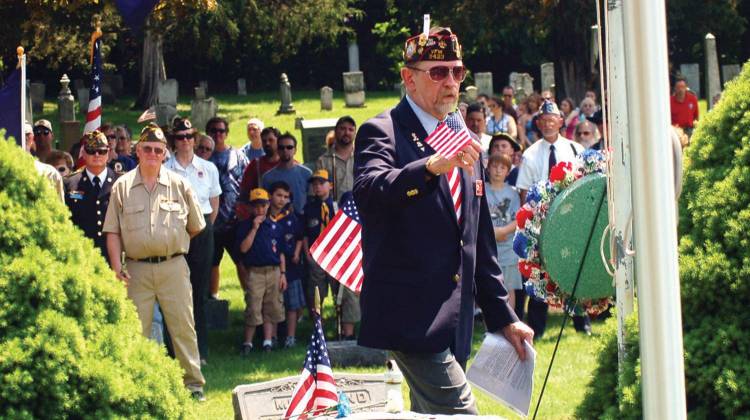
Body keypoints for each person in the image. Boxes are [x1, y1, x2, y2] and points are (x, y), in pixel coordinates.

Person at [353, 26, 533, 415]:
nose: (451, 82)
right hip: (410, 316)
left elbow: (477, 241)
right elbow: (369, 191)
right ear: (408, 78)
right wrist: (430, 167)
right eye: (438, 72)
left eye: (457, 72)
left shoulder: (464, 137)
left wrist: (505, 318)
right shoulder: (381, 130)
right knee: (460, 413)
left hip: (457, 319)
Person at [103, 123, 207, 401]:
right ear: (137, 151)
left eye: (157, 150)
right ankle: (136, 383)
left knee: (183, 327)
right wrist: (116, 267)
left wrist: (170, 243)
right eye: (146, 148)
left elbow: (196, 225)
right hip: (136, 269)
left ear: (165, 154)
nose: (152, 153)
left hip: (173, 266)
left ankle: (193, 385)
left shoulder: (180, 184)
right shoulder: (122, 187)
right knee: (136, 330)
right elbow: (112, 230)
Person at [516, 100, 587, 338]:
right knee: (541, 274)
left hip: (571, 221)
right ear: (538, 123)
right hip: (542, 224)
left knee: (574, 269)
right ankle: (537, 327)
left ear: (560, 121)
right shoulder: (530, 155)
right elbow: (525, 193)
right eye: (543, 121)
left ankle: (581, 321)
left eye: (552, 120)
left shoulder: (575, 150)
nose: (548, 124)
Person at [164, 117, 221, 365]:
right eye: (180, 137)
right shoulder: (165, 168)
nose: (185, 141)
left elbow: (214, 204)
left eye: (189, 136)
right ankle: (173, 350)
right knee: (174, 292)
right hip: (173, 231)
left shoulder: (208, 168)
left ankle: (201, 351)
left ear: (195, 139)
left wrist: (202, 228)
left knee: (199, 292)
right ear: (173, 141)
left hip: (202, 231)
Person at [236, 188, 287, 354]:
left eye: (263, 205)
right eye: (256, 206)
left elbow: (280, 253)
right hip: (255, 272)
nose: (260, 209)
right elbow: (243, 249)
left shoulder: (275, 226)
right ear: (251, 207)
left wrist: (283, 274)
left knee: (271, 307)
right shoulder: (244, 226)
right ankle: (248, 343)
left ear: (268, 205)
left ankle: (268, 341)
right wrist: (254, 229)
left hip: (273, 271)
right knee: (253, 306)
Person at [207, 116, 250, 299]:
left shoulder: (238, 156)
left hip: (235, 220)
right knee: (212, 263)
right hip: (211, 221)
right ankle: (213, 298)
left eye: (221, 131)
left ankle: (250, 297)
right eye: (214, 131)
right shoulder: (204, 155)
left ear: (227, 133)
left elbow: (247, 183)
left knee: (241, 261)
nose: (218, 135)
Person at [63, 130, 120, 261]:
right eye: (91, 150)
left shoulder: (120, 182)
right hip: (81, 257)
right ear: (83, 153)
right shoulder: (70, 183)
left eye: (101, 151)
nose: (96, 155)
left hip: (112, 256)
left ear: (108, 153)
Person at [267, 181, 305, 348]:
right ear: (270, 196)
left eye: (285, 197)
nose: (282, 200)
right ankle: (273, 337)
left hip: (291, 265)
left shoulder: (291, 217)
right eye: (278, 195)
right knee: (274, 303)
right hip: (273, 265)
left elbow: (299, 237)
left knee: (292, 304)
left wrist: (297, 253)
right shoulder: (265, 217)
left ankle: (291, 337)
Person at [486, 153, 522, 316]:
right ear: (488, 168)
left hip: (507, 247)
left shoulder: (513, 193)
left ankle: (510, 321)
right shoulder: (481, 189)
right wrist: (492, 232)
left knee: (509, 288)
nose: (498, 171)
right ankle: (491, 326)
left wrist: (502, 231)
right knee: (489, 287)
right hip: (487, 247)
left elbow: (518, 219)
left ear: (508, 172)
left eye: (503, 168)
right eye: (494, 166)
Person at [302, 170, 337, 314]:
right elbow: (304, 234)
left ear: (331, 185)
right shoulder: (309, 208)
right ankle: (318, 324)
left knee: (339, 293)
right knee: (316, 293)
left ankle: (342, 327)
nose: (317, 187)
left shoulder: (336, 207)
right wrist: (307, 254)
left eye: (322, 183)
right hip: (316, 255)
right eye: (314, 184)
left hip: (335, 256)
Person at [261, 132, 312, 215]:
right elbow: (264, 204)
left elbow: (312, 201)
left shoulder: (307, 174)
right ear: (277, 150)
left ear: (295, 150)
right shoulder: (267, 177)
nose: (285, 150)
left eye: (289, 147)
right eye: (281, 147)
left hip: (302, 221)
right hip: (277, 223)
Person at [315, 116, 355, 201]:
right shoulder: (323, 161)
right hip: (334, 210)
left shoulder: (362, 157)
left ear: (355, 133)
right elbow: (318, 190)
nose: (347, 132)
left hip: (358, 209)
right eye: (343, 129)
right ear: (335, 131)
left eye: (351, 130)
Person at [239, 126, 282, 197]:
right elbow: (244, 192)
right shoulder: (255, 165)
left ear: (279, 142)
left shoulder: (289, 164)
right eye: (264, 141)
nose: (267, 143)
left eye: (271, 140)